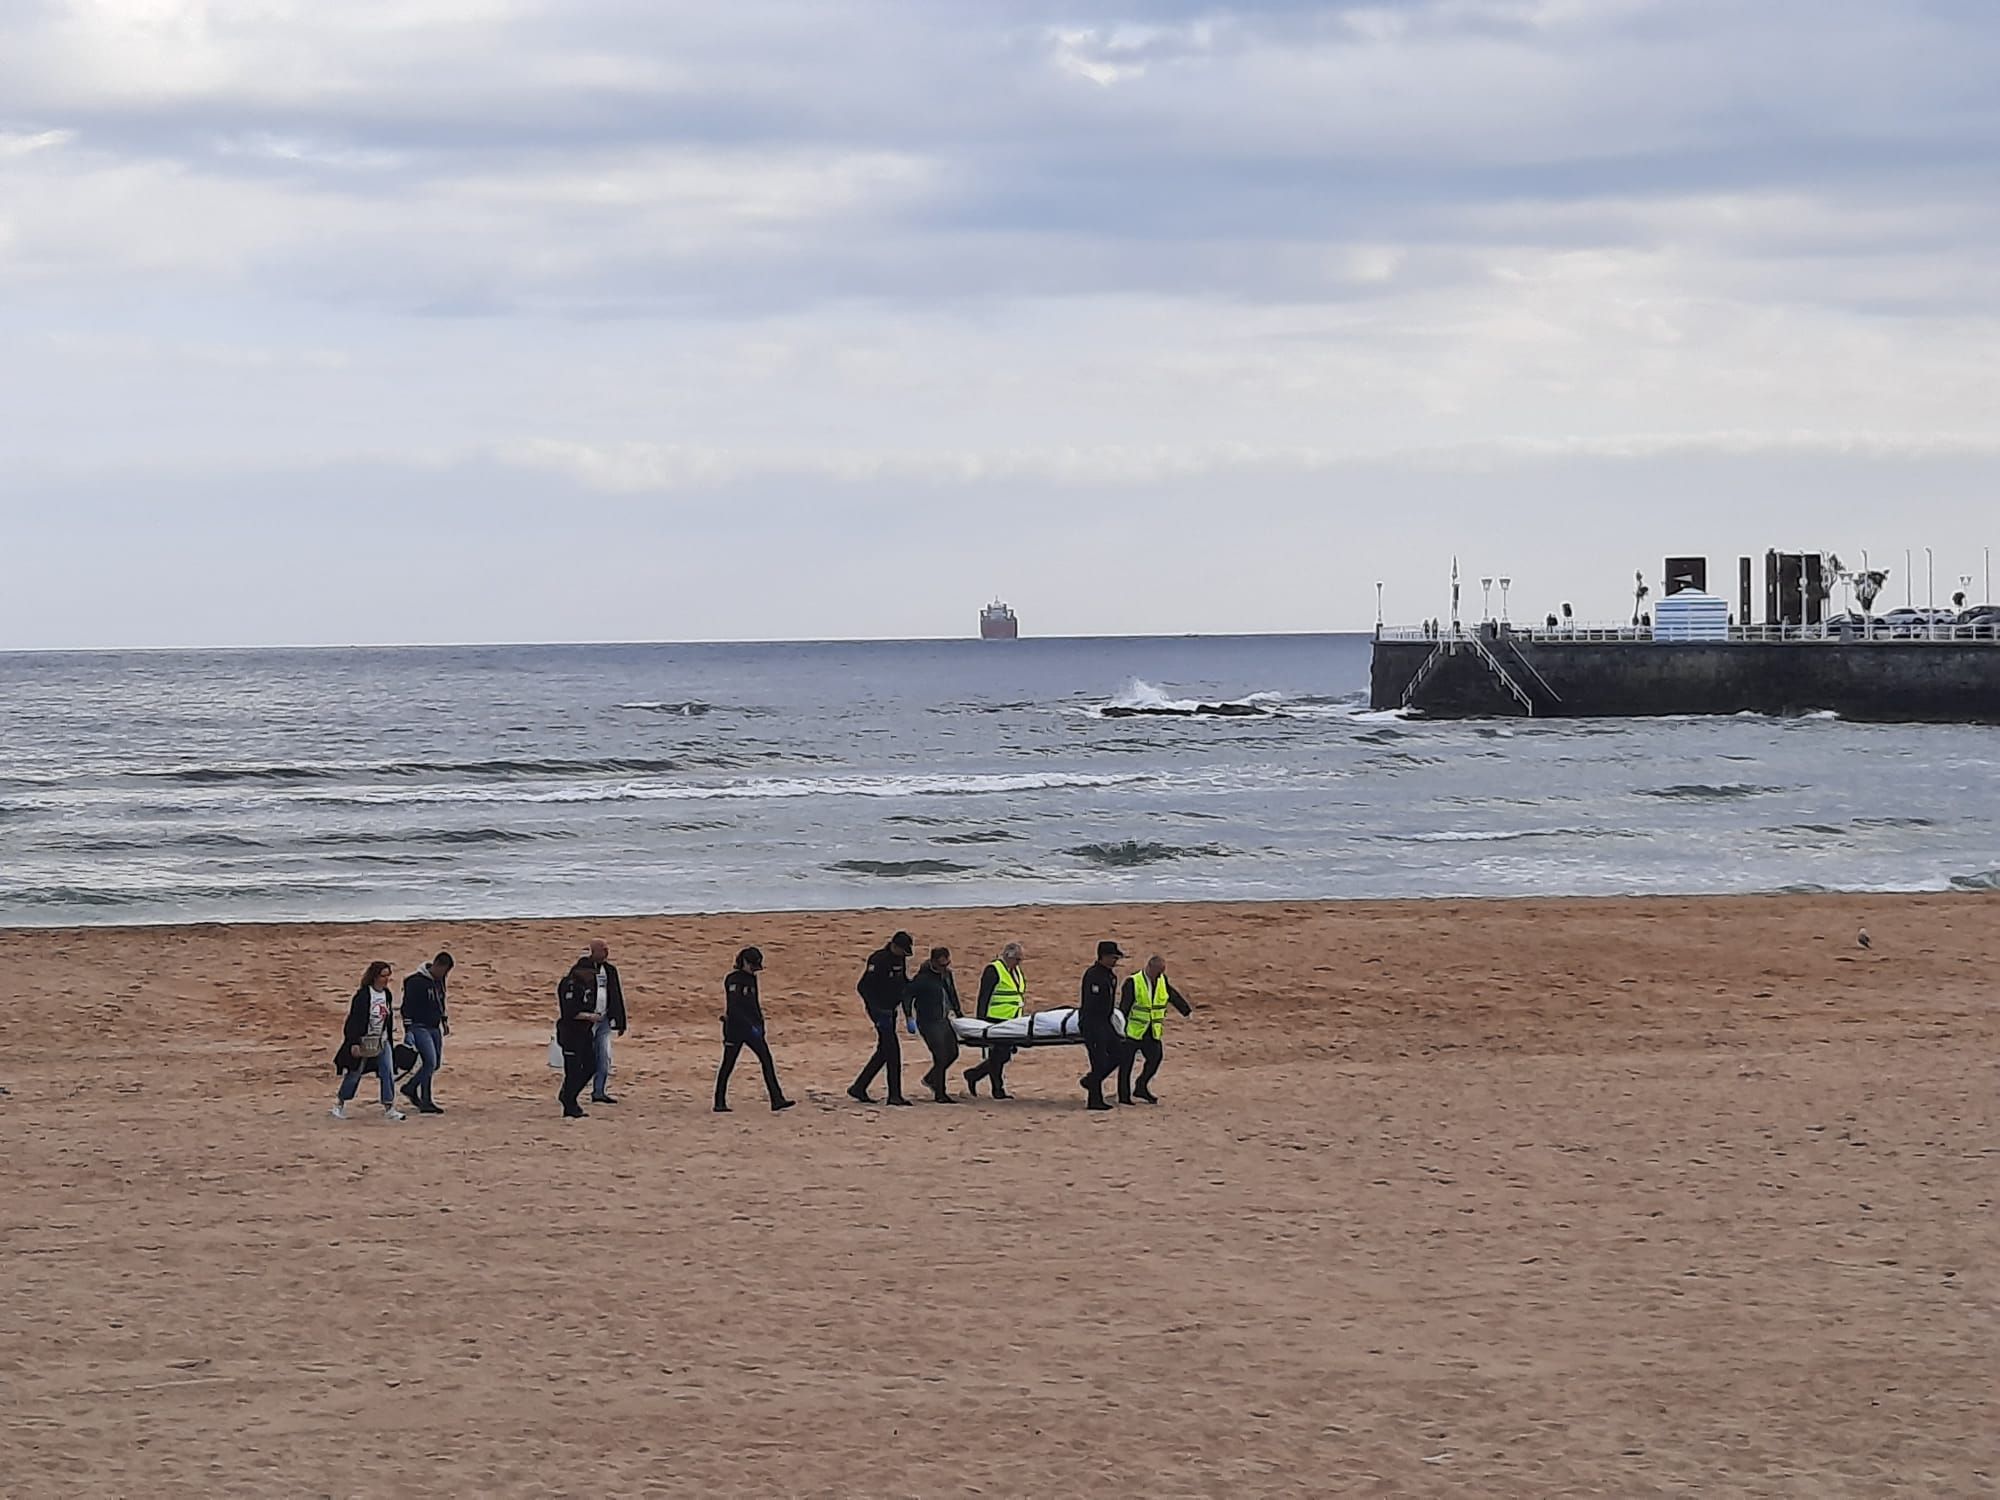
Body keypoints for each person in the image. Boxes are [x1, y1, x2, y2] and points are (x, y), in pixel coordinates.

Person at [714, 947, 795, 1113]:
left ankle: (776, 1099)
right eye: (752, 966)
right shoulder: (733, 979)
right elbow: (734, 1007)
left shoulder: (752, 979)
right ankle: (719, 1102)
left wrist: (760, 1024)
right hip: (736, 1029)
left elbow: (754, 1005)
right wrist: (750, 1026)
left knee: (766, 1061)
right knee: (728, 1064)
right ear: (743, 962)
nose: (754, 970)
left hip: (752, 1029)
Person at [331, 961, 405, 1121]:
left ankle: (389, 1106)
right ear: (374, 977)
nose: (386, 980)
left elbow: (388, 1019)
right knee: (355, 1073)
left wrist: (388, 1040)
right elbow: (353, 1021)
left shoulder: (387, 995)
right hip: (364, 1040)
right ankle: (340, 1103)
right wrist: (354, 1043)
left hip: (381, 1040)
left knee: (387, 1071)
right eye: (383, 976)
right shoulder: (363, 996)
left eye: (387, 976)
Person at [1116, 954, 1194, 1104]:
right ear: (1149, 967)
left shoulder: (1162, 981)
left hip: (1151, 1030)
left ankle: (1141, 1086)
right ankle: (1123, 1096)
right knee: (1126, 1064)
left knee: (1155, 1058)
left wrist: (1186, 1010)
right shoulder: (1133, 982)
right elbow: (1124, 1007)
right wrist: (1120, 1028)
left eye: (1162, 972)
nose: (1160, 975)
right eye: (1158, 971)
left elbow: (1172, 995)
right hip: (1132, 1030)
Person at [848, 930, 914, 1106]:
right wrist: (877, 1011)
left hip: (891, 1010)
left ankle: (859, 1087)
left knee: (884, 1051)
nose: (904, 955)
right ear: (894, 945)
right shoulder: (878, 960)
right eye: (903, 950)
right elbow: (863, 987)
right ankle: (894, 1095)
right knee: (893, 1052)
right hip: (879, 1012)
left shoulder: (900, 959)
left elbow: (901, 981)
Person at [963, 942, 1026, 1099]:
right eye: (1017, 959)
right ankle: (997, 1089)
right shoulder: (993, 970)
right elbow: (984, 997)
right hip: (994, 1019)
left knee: (1002, 1055)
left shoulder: (1015, 971)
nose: (1019, 963)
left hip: (1011, 1019)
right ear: (1007, 956)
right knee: (999, 1054)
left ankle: (974, 1075)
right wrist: (981, 1022)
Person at [398, 950, 454, 1114]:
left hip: (434, 1026)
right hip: (419, 1026)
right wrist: (408, 1030)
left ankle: (423, 1097)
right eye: (443, 970)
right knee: (429, 1061)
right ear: (437, 965)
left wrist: (444, 1020)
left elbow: (441, 1001)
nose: (444, 974)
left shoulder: (440, 980)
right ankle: (414, 1091)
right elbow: (406, 1007)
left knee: (434, 1064)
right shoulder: (414, 981)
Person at [906, 946, 963, 1103]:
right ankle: (940, 1093)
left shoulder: (947, 975)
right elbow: (908, 996)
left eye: (947, 964)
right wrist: (909, 1017)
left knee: (952, 1053)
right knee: (940, 1055)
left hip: (943, 1018)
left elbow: (952, 993)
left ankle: (931, 1079)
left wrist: (959, 1014)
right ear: (933, 962)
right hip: (928, 1021)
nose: (944, 968)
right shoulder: (922, 978)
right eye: (941, 965)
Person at [1077, 940, 1125, 1111]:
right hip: (1092, 1022)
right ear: (1103, 957)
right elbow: (1092, 1003)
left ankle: (1090, 1081)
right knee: (1098, 1060)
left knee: (1119, 1054)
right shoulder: (1093, 975)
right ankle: (1094, 1099)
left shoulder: (1110, 976)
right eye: (1113, 957)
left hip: (1105, 1021)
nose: (1115, 961)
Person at [556, 957, 602, 1119]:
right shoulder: (571, 984)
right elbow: (570, 1012)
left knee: (590, 1066)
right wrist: (590, 1016)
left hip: (584, 1031)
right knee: (573, 1070)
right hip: (571, 1032)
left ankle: (569, 1096)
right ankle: (569, 1101)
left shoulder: (585, 986)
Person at [584, 939, 628, 1105]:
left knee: (604, 1057)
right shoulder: (582, 970)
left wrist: (620, 1021)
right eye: (603, 950)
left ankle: (599, 1091)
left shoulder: (610, 970)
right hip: (586, 1021)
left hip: (604, 1019)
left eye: (607, 950)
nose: (606, 953)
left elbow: (616, 995)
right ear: (593, 951)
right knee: (584, 1058)